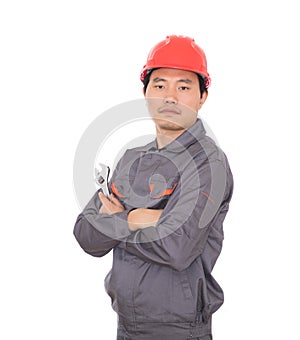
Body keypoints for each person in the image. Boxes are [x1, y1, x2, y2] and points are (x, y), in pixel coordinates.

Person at [73, 35, 234, 340]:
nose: (170, 97)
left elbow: (178, 248)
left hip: (180, 331)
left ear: (202, 97)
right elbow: (86, 235)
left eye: (183, 87)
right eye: (159, 85)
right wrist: (136, 218)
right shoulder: (132, 159)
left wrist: (115, 222)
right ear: (145, 93)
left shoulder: (208, 163)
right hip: (126, 327)